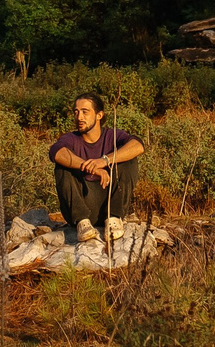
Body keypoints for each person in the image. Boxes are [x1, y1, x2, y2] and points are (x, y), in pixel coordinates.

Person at [49, 94, 144, 244]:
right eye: (76, 112)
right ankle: (82, 223)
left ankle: (113, 219)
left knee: (128, 159)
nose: (79, 117)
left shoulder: (112, 136)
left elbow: (138, 146)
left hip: (109, 204)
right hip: (82, 206)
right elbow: (56, 152)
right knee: (63, 166)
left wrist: (104, 160)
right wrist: (90, 167)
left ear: (99, 115)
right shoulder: (71, 139)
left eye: (85, 112)